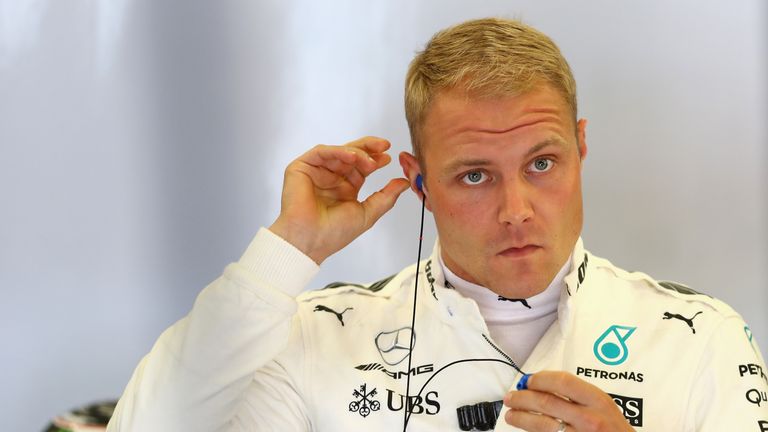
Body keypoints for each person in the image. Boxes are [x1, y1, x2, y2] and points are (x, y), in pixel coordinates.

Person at [108, 17, 768, 432]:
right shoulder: (316, 339)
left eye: (541, 162)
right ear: (420, 181)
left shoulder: (701, 338)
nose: (517, 208)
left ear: (581, 148)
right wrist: (285, 254)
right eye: (475, 175)